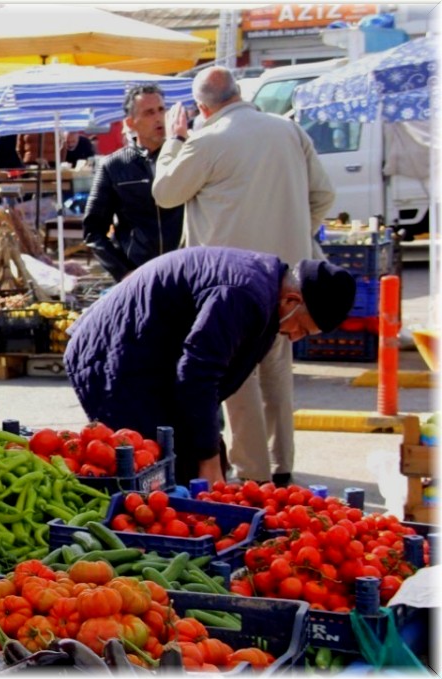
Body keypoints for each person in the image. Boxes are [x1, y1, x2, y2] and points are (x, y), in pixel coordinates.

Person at [152, 67, 336, 486]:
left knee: (238, 379)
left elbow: (165, 193)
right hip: (289, 275)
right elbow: (323, 195)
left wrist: (174, 140)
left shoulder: (205, 140)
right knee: (276, 371)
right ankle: (282, 465)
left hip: (232, 281)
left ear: (202, 107)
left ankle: (254, 478)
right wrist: (293, 232)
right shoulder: (288, 131)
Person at [65, 247, 355, 485]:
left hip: (153, 356)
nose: (294, 336)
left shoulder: (267, 295)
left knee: (184, 462)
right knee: (147, 466)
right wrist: (208, 458)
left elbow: (206, 379)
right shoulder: (243, 294)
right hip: (113, 356)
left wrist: (209, 450)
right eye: (302, 328)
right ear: (292, 299)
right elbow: (198, 374)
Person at [83, 84, 184, 282]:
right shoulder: (113, 166)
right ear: (131, 123)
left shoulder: (185, 155)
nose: (158, 118)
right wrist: (123, 272)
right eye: (149, 113)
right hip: (139, 274)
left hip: (186, 269)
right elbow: (93, 231)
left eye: (161, 110)